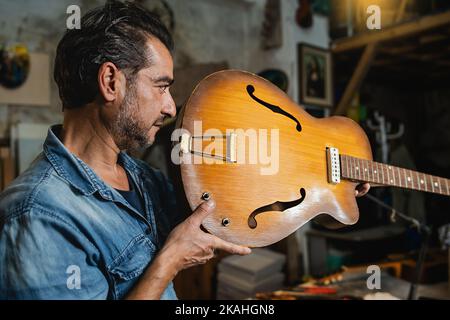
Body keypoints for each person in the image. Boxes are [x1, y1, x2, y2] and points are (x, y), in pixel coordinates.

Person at [0, 1, 369, 300]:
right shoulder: (37, 214)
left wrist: (327, 187)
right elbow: (175, 252)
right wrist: (170, 260)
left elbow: (232, 211)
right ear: (111, 81)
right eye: (161, 87)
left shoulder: (141, 178)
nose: (170, 107)